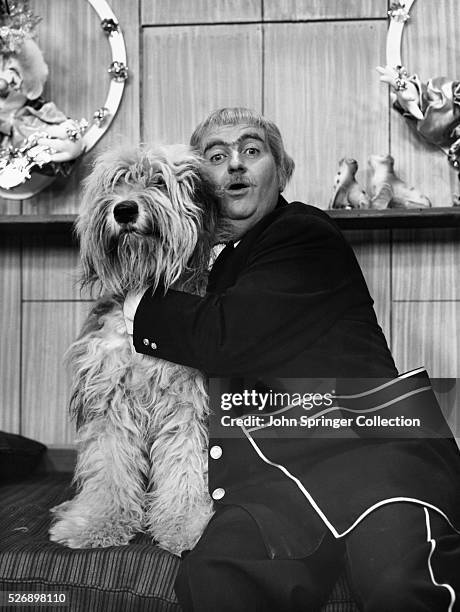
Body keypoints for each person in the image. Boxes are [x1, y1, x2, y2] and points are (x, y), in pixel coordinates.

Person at [124, 107, 460, 611]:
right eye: (217, 156)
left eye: (251, 151)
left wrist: (132, 305)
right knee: (214, 576)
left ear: (280, 173)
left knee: (401, 587)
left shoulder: (304, 233)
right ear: (197, 184)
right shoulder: (200, 266)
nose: (235, 164)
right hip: (275, 484)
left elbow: (225, 337)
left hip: (375, 457)